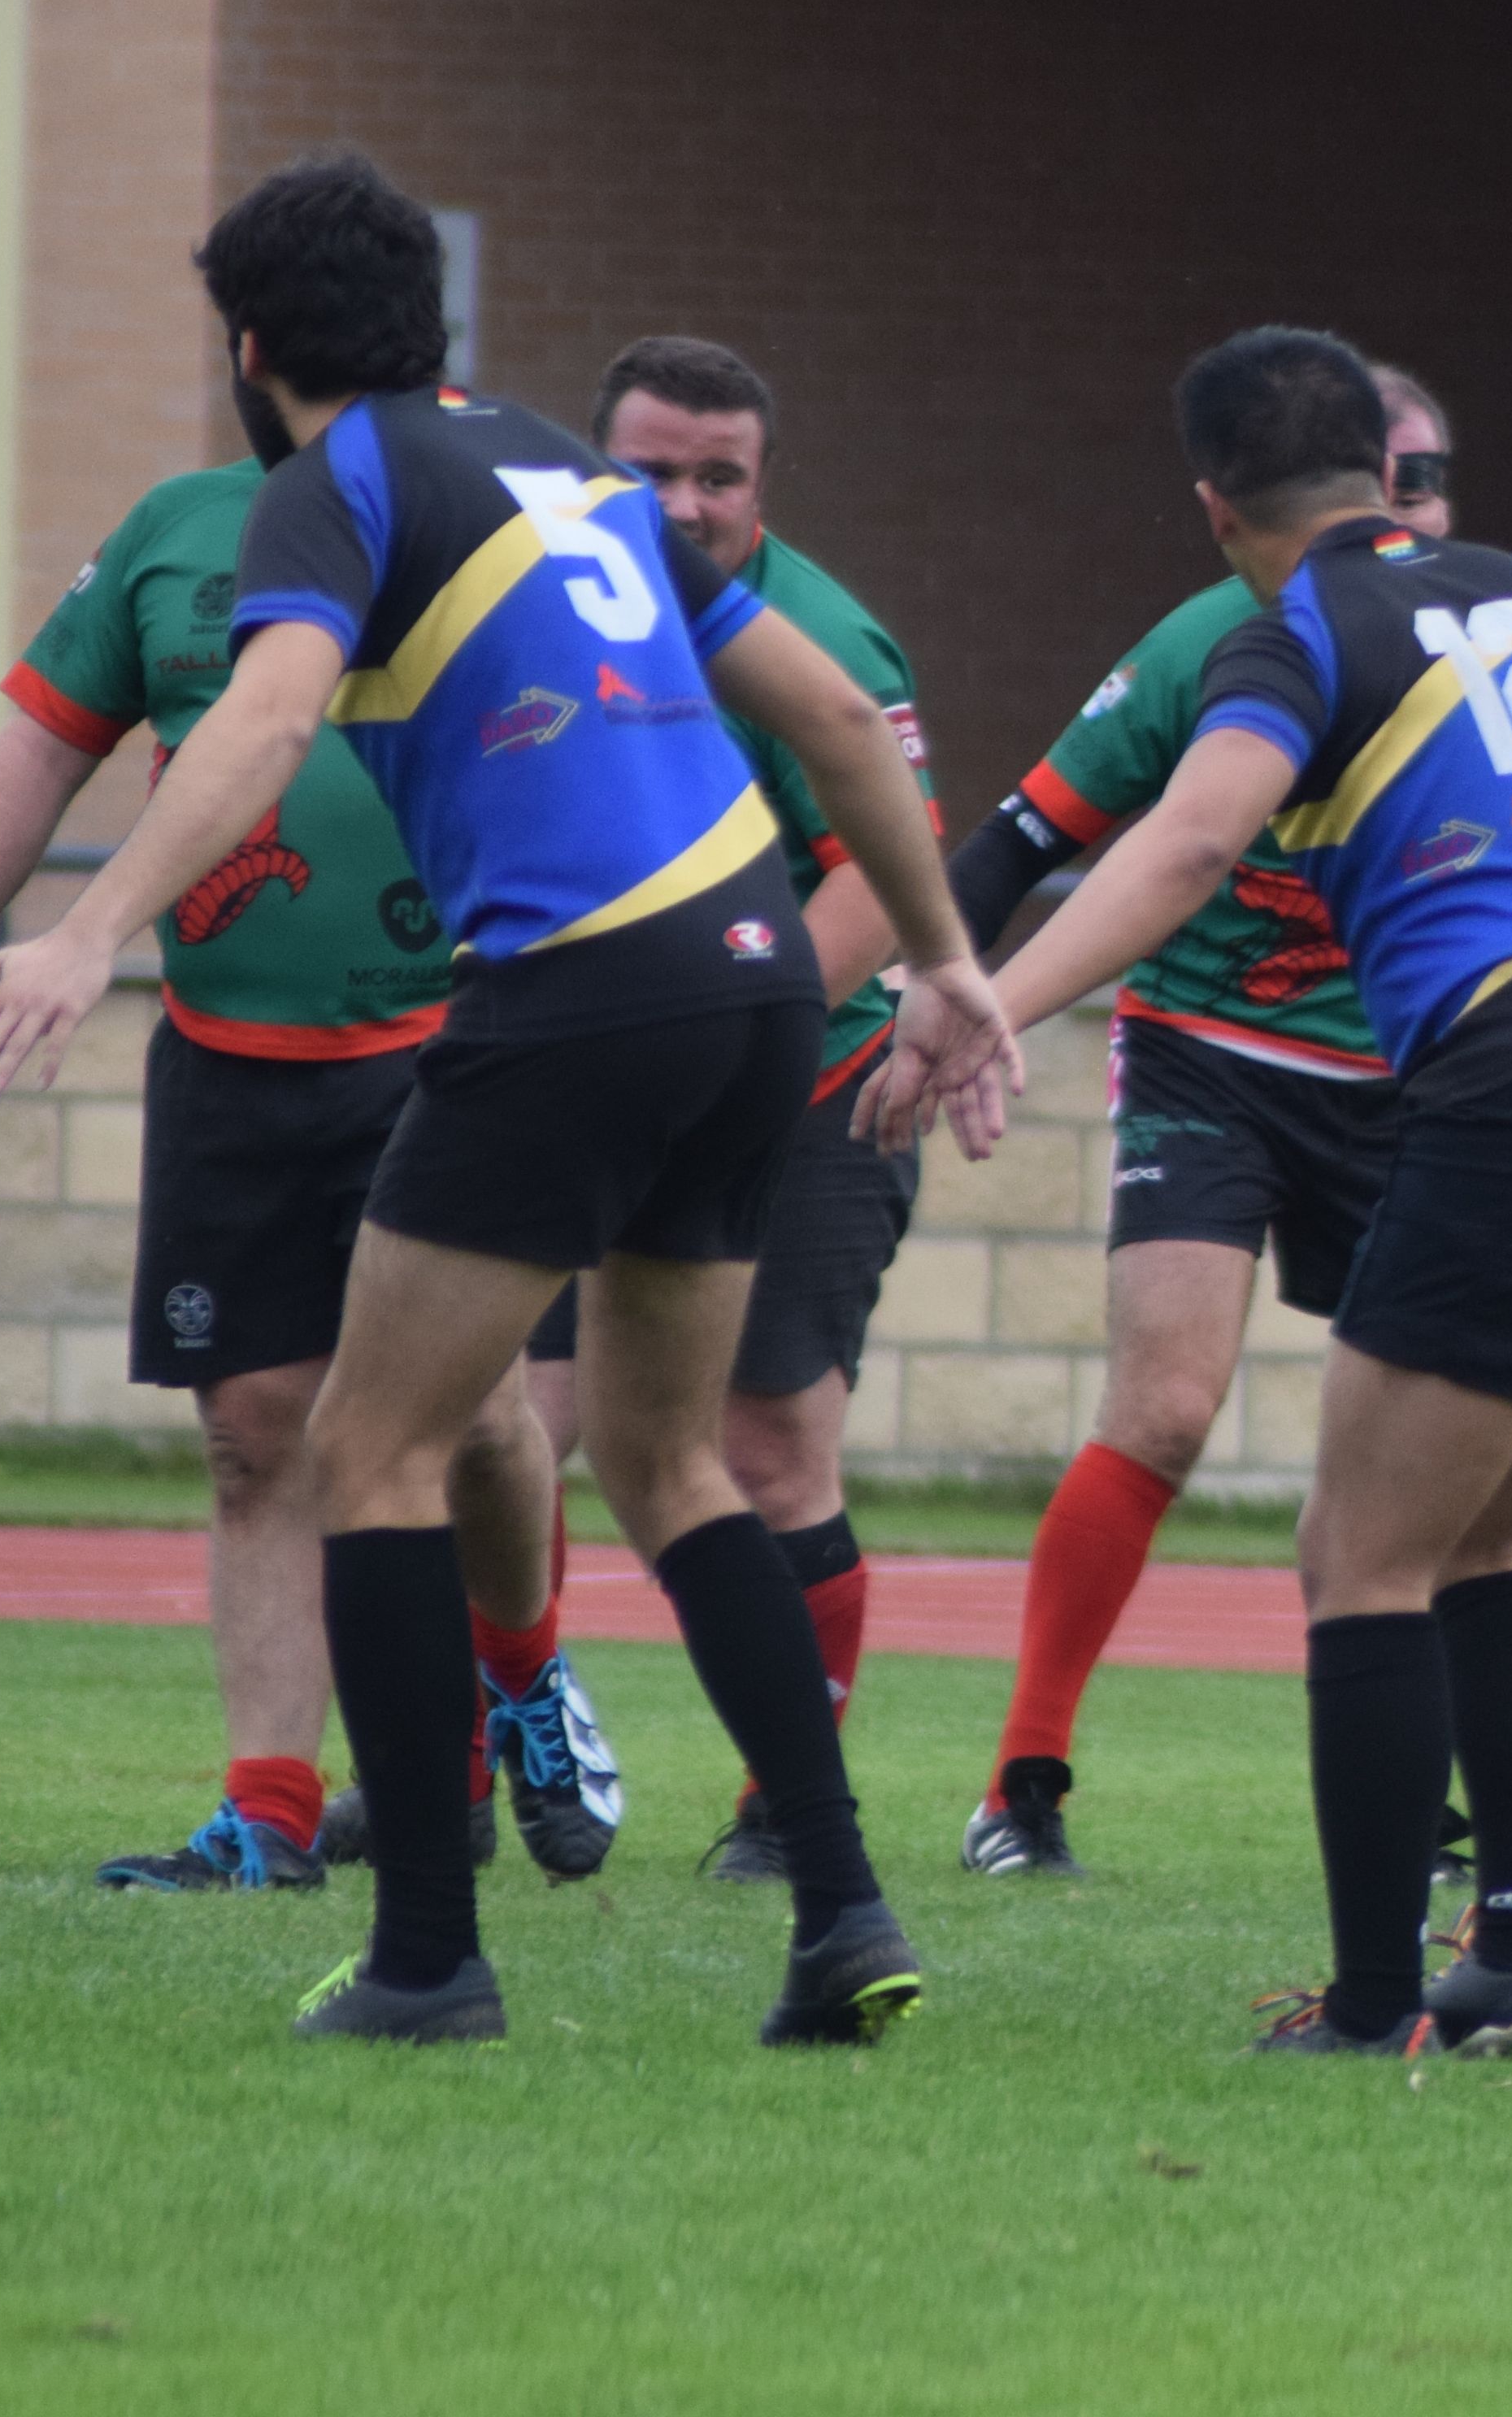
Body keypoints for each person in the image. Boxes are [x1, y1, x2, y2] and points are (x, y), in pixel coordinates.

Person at [0, 155, 1019, 2050]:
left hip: (582, 992)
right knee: (672, 1470)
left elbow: (260, 724)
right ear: (435, 318)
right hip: (756, 978)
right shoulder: (571, 472)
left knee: (370, 1445)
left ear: (250, 347)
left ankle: (428, 1954)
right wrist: (949, 966)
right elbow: (838, 724)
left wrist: (89, 929)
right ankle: (839, 1913)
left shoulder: (325, 486)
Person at [933, 327, 1512, 2058]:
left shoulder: (1294, 630)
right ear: (1389, 469)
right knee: (1486, 1534)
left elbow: (1186, 842)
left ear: (1213, 507)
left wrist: (986, 1003)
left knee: (1361, 1556)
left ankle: (1370, 2002)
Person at [0, 424, 607, 1898]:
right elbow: (39, 745)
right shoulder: (173, 530)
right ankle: (271, 1815)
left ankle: (520, 1676)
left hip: (450, 1048)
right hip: (232, 1068)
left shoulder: (496, 520)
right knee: (254, 1437)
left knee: (468, 1426)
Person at [936, 372, 1460, 1879]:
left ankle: (1425, 1799)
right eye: (1392, 476)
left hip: (1407, 1078)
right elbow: (1020, 839)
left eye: (1431, 479)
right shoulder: (1205, 646)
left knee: (1439, 1459)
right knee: (1166, 1408)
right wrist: (950, 990)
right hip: (1209, 1054)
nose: (1411, 507)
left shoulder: (1490, 632)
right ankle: (1020, 1786)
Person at [515, 337, 939, 1884]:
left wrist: (732, 1053)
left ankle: (784, 1803)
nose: (685, 505)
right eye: (650, 472)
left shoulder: (825, 641)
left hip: (801, 1087)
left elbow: (883, 886)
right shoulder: (537, 597)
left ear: (764, 486)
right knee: (502, 1430)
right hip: (596, 1070)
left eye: (721, 478)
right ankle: (492, 1735)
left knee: (767, 1452)